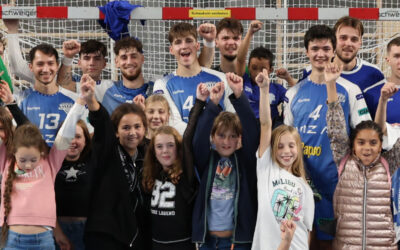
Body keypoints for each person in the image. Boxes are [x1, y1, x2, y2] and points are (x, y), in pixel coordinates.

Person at [283, 24, 370, 249]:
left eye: (325, 48)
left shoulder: (350, 90)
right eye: (314, 48)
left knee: (334, 244)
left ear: (333, 51)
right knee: (301, 242)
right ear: (306, 52)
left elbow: (365, 135)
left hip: (337, 188)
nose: (320, 54)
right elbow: (285, 141)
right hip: (302, 186)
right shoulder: (292, 94)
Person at [325, 61, 399, 249]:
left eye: (373, 143)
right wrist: (331, 84)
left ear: (381, 145)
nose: (367, 148)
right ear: (352, 145)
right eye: (361, 142)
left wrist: (383, 100)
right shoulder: (344, 160)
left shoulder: (387, 164)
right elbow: (336, 127)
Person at [0, 89, 86, 249]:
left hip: (43, 239)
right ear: (13, 153)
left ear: (41, 152)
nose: (27, 165)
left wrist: (80, 102)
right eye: (22, 160)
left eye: (33, 160)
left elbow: (66, 132)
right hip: (12, 239)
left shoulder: (50, 162)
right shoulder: (6, 160)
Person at [81, 75, 150, 249]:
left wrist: (141, 110)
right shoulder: (108, 150)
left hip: (138, 235)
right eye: (126, 128)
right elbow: (102, 124)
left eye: (137, 126)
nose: (132, 132)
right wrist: (91, 100)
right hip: (107, 235)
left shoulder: (148, 154)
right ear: (116, 132)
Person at [192, 72, 259, 249]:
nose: (227, 142)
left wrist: (239, 94)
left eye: (232, 136)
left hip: (236, 242)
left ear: (239, 139)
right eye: (221, 136)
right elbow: (198, 140)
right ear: (212, 137)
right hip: (207, 242)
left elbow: (252, 131)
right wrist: (213, 104)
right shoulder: (207, 161)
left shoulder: (245, 162)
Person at [251, 69, 314, 250]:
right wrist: (264, 90)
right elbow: (265, 124)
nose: (286, 151)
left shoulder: (304, 186)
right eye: (280, 146)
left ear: (298, 149)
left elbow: (307, 229)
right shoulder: (266, 168)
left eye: (291, 146)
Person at [142, 84, 206, 249]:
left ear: (178, 149)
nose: (165, 151)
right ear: (153, 151)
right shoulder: (152, 174)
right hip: (155, 244)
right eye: (160, 147)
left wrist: (199, 102)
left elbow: (189, 135)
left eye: (170, 145)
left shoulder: (186, 174)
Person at [153, 22, 234, 135]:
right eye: (178, 42)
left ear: (197, 46)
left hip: (218, 147)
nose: (184, 46)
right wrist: (203, 139)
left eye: (189, 41)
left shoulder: (221, 78)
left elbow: (233, 117)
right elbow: (173, 124)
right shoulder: (162, 84)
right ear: (171, 50)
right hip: (184, 149)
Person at [235, 20, 287, 127]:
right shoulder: (244, 82)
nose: (258, 73)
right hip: (247, 128)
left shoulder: (277, 89)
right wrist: (250, 33)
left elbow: (296, 96)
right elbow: (240, 60)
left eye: (263, 69)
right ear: (248, 68)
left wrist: (288, 78)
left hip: (269, 129)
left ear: (270, 70)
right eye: (254, 68)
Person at [53, 120, 92, 250]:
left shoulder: (93, 160)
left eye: (78, 136)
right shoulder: (50, 161)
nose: (72, 141)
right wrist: (57, 231)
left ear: (86, 140)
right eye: (67, 136)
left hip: (87, 229)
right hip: (57, 229)